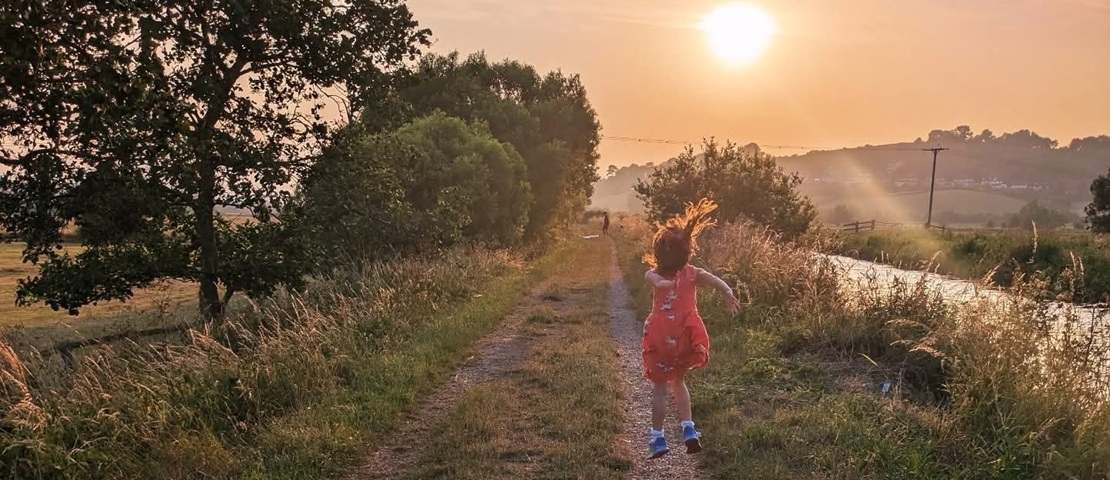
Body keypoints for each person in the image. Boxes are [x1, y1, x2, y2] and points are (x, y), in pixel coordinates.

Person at [640, 198, 740, 459]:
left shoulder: (656, 274)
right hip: (684, 336)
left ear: (659, 252)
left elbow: (649, 277)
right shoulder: (693, 273)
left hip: (661, 337)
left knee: (660, 388)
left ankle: (657, 438)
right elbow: (715, 280)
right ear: (687, 251)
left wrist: (661, 285)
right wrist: (728, 293)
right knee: (679, 381)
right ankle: (688, 430)